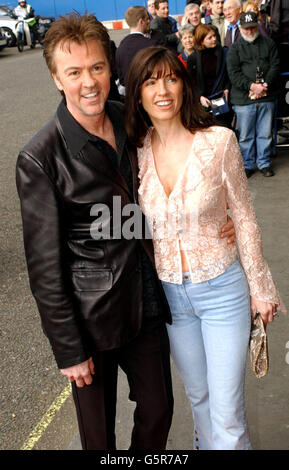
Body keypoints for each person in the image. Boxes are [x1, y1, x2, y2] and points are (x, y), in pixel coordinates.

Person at [16, 13, 235, 451]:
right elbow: (44, 268)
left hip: (146, 302)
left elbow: (175, 171)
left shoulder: (129, 120)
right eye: (74, 72)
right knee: (98, 439)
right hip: (90, 317)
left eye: (97, 67)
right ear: (57, 79)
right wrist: (68, 349)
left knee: (158, 414)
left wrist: (210, 222)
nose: (89, 82)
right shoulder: (40, 158)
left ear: (111, 67)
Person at [125, 45, 286, 450]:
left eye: (171, 78)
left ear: (184, 86)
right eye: (150, 81)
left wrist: (261, 288)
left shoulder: (219, 142)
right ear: (138, 94)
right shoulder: (135, 151)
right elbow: (126, 220)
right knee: (199, 399)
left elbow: (245, 217)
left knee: (227, 411)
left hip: (221, 291)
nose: (162, 90)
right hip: (171, 299)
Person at [227, 11, 280, 178]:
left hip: (266, 94)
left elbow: (275, 66)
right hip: (243, 98)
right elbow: (233, 73)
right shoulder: (234, 49)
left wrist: (265, 85)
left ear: (257, 26)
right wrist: (251, 86)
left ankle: (264, 162)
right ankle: (248, 164)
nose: (249, 31)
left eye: (252, 28)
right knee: (245, 135)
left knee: (265, 132)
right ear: (240, 29)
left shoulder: (269, 44)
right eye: (246, 28)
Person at [187, 24, 233, 128]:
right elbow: (190, 81)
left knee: (222, 129)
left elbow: (229, 74)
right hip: (204, 102)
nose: (214, 39)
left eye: (214, 36)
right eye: (210, 38)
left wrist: (226, 89)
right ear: (201, 41)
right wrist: (199, 97)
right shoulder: (193, 58)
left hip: (220, 98)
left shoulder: (224, 53)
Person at [116, 6, 162, 93]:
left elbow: (122, 80)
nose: (149, 22)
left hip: (130, 96)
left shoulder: (120, 48)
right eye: (147, 19)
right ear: (141, 21)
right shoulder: (152, 45)